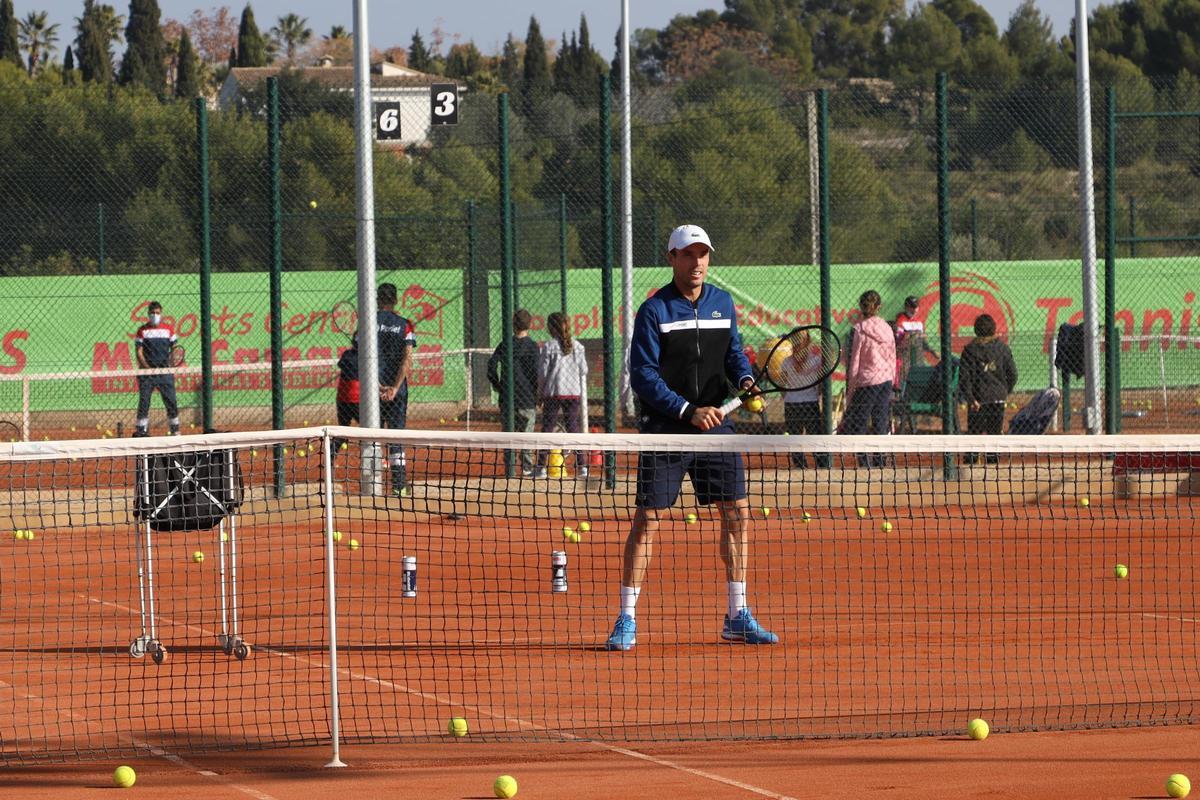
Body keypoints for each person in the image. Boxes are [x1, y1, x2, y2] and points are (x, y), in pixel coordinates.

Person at [604, 224, 777, 651]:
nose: (696, 261)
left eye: (702, 254)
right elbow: (642, 375)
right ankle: (626, 618)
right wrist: (686, 410)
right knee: (648, 521)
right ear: (672, 259)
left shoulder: (722, 303)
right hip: (666, 430)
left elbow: (733, 353)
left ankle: (737, 614)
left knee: (738, 515)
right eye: (688, 254)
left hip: (718, 429)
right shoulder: (655, 310)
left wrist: (745, 378)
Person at [333, 283, 416, 496]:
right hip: (398, 393)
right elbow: (407, 358)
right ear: (396, 300)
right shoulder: (405, 325)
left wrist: (378, 386)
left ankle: (370, 488)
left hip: (372, 392)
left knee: (371, 437)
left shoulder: (367, 324)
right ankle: (399, 487)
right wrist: (395, 388)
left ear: (378, 299)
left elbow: (362, 358)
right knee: (396, 438)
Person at [842, 290, 897, 466]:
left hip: (867, 382)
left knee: (859, 423)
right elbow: (892, 355)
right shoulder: (887, 328)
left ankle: (864, 464)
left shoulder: (859, 330)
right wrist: (891, 378)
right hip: (885, 380)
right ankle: (880, 462)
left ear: (861, 306)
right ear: (879, 307)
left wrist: (850, 391)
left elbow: (855, 361)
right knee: (880, 421)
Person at [531, 311, 588, 478]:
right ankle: (582, 467)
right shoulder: (578, 346)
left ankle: (541, 467)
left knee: (547, 429)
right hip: (572, 393)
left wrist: (540, 393)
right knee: (573, 428)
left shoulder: (548, 347)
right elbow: (584, 369)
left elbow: (542, 373)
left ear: (550, 328)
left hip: (553, 392)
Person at [959, 313, 1017, 465]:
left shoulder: (969, 350)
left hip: (977, 400)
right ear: (994, 329)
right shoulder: (1003, 349)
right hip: (997, 398)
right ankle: (992, 464)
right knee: (994, 433)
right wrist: (1004, 391)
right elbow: (1013, 374)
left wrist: (971, 399)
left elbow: (964, 378)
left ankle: (970, 465)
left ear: (976, 330)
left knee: (974, 434)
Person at [487, 309, 539, 475]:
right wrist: (537, 393)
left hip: (508, 398)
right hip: (527, 398)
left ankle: (510, 467)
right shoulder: (532, 346)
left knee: (509, 433)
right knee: (527, 436)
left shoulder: (505, 344)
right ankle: (527, 468)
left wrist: (498, 385)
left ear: (512, 324)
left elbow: (491, 366)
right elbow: (536, 373)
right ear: (530, 324)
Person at [133, 301, 181, 437]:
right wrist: (147, 368)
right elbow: (139, 352)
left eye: (158, 313)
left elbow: (175, 350)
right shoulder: (142, 331)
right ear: (148, 314)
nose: (155, 315)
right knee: (144, 402)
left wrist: (170, 363)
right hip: (147, 373)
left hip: (165, 372)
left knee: (171, 401)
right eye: (152, 313)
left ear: (161, 314)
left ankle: (175, 430)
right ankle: (141, 431)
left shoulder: (168, 330)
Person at [782, 330, 823, 468]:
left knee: (795, 439)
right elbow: (821, 385)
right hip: (810, 403)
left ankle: (801, 467)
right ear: (808, 341)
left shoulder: (786, 362)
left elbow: (783, 384)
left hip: (791, 404)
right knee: (816, 438)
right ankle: (822, 466)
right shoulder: (817, 360)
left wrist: (788, 396)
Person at [894, 295, 934, 388]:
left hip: (918, 355)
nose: (914, 309)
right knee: (903, 378)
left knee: (919, 376)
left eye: (915, 306)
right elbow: (899, 338)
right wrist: (913, 335)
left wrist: (931, 350)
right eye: (911, 306)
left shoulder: (919, 321)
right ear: (906, 307)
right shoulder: (900, 320)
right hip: (905, 355)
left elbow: (924, 338)